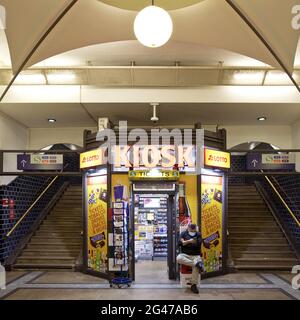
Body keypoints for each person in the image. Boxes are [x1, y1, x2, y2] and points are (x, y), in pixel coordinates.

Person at [177, 223, 204, 294]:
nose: (192, 229)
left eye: (193, 228)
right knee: (178, 258)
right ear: (188, 227)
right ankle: (197, 264)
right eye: (191, 228)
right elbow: (179, 243)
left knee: (196, 267)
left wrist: (185, 242)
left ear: (195, 228)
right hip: (185, 254)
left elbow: (198, 244)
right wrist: (190, 241)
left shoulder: (198, 234)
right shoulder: (183, 233)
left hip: (196, 255)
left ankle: (194, 285)